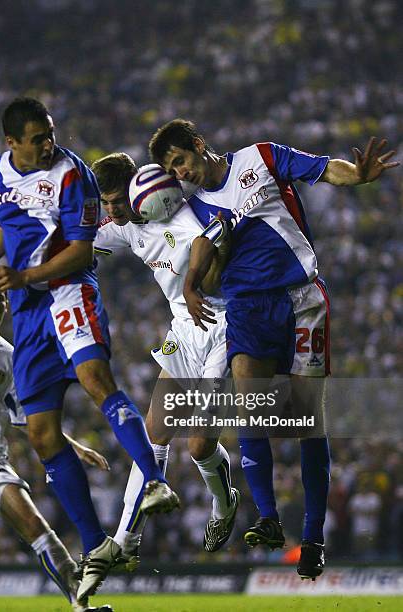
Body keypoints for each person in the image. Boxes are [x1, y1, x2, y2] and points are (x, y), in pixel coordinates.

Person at [0, 97, 179, 601]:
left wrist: (23, 273)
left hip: (68, 290)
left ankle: (154, 481)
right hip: (27, 314)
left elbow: (82, 249)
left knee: (97, 381)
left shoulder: (73, 175)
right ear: (12, 145)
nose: (48, 143)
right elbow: (7, 224)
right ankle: (95, 543)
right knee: (42, 434)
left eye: (50, 133)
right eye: (37, 138)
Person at [149, 120, 399, 580]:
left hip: (303, 297)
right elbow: (207, 271)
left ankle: (313, 537)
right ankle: (266, 517)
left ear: (199, 146)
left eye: (180, 160)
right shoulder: (192, 212)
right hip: (247, 306)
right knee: (251, 407)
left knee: (308, 420)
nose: (180, 172)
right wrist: (191, 285)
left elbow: (325, 169)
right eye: (171, 169)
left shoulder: (260, 157)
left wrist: (358, 176)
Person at [91, 152, 239, 565]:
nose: (112, 210)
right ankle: (125, 539)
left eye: (118, 201)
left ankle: (224, 504)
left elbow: (209, 235)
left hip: (224, 324)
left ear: (138, 191)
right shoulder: (125, 227)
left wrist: (194, 280)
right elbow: (84, 240)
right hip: (183, 331)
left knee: (198, 445)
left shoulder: (176, 210)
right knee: (153, 435)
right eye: (106, 203)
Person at [0, 281, 112, 612]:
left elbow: (26, 419)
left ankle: (81, 603)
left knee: (36, 525)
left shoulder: (11, 357)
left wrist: (74, 447)